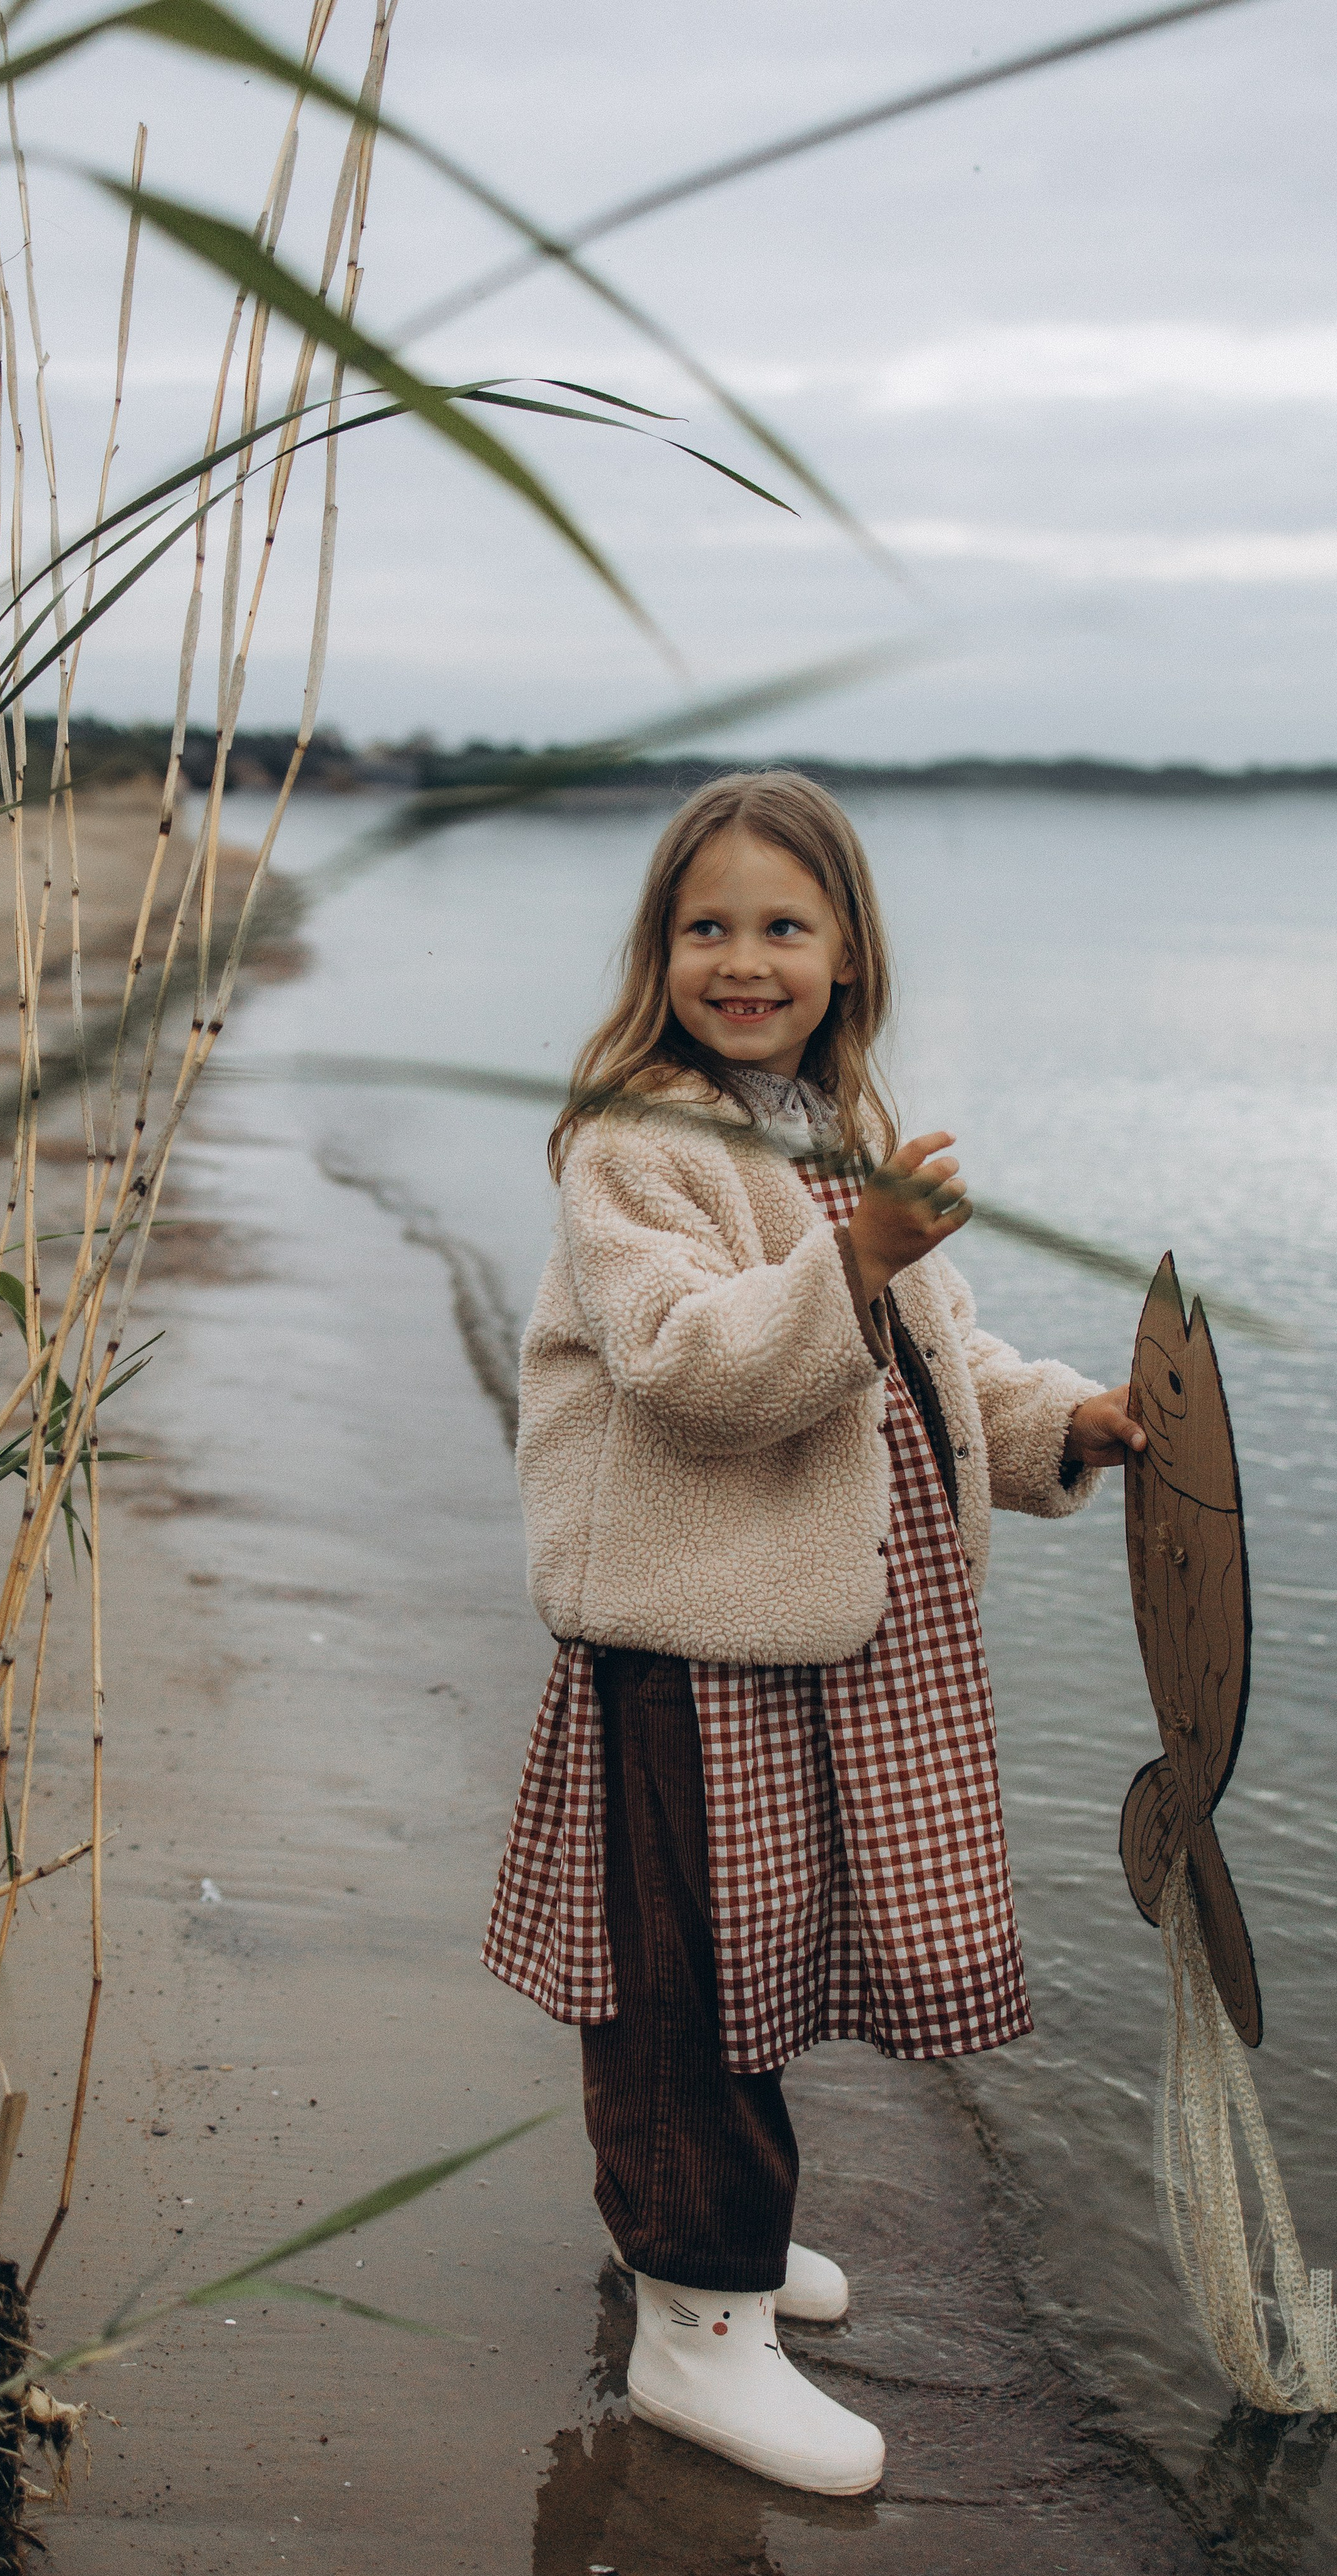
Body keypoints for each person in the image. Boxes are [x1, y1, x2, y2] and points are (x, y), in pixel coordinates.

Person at [481, 771, 1144, 2496]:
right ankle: (697, 2325)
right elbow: (694, 1369)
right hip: (683, 1638)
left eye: (783, 924)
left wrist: (1064, 1420)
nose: (743, 957)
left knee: (757, 1949)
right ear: (659, 948)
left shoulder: (839, 1120)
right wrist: (848, 1259)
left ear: (845, 948)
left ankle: (722, 2252)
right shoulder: (639, 1139)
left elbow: (935, 1363)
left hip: (816, 1633)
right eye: (707, 926)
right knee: (683, 1980)